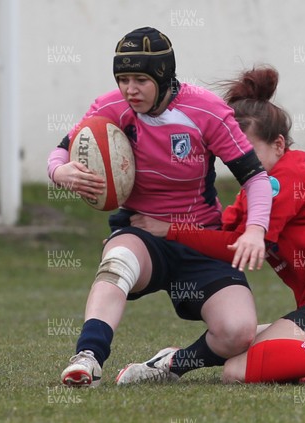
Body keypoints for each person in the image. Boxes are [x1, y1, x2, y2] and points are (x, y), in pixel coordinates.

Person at [117, 66, 305, 385]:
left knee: (238, 370)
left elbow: (237, 248)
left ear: (278, 145)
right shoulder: (262, 188)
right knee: (245, 346)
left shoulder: (282, 181)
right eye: (232, 153)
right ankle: (171, 363)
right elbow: (223, 235)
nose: (240, 162)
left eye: (249, 152)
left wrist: (170, 230)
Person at [47, 27, 273, 387]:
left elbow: (256, 179)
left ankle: (169, 364)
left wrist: (255, 230)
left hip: (200, 239)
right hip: (141, 233)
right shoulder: (111, 107)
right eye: (123, 79)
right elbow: (61, 150)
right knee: (118, 260)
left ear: (164, 76)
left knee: (237, 332)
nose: (130, 89)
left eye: (140, 79)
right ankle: (88, 357)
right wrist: (62, 171)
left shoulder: (206, 111)